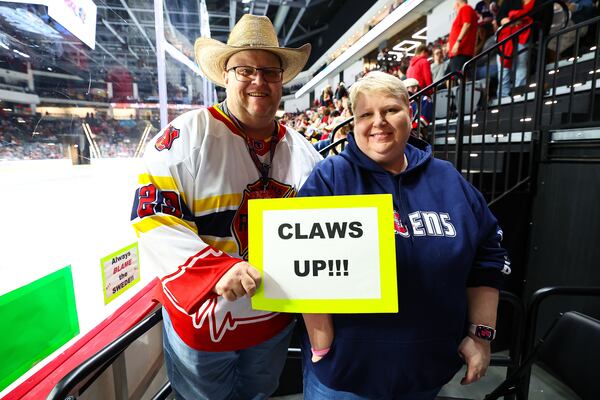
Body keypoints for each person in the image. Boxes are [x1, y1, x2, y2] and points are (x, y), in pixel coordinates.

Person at [130, 14, 322, 400]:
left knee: (260, 394)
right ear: (226, 75)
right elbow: (151, 215)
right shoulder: (186, 136)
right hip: (204, 324)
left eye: (269, 71)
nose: (258, 80)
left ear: (283, 79)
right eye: (245, 69)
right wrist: (216, 271)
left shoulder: (305, 152)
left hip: (273, 322)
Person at [298, 71, 510, 400]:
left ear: (410, 113)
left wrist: (480, 335)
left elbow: (488, 258)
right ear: (353, 123)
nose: (378, 122)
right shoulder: (330, 179)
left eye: (390, 110)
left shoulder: (448, 179)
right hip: (345, 376)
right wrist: (321, 338)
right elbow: (301, 264)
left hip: (426, 372)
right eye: (366, 114)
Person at [446, 0, 479, 74]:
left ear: (457, 3)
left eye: (454, 6)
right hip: (458, 52)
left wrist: (457, 42)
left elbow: (467, 24)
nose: (454, 8)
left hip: (461, 51)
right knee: (449, 77)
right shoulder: (466, 9)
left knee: (459, 76)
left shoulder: (465, 8)